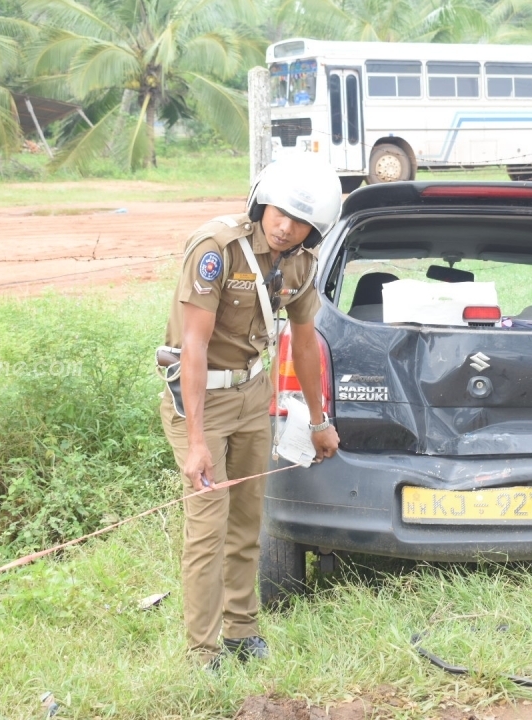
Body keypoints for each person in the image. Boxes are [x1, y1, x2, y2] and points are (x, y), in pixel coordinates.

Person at [159, 155, 342, 668]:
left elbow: (304, 345)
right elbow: (192, 347)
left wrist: (319, 420)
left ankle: (242, 629)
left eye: (300, 220)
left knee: (246, 521)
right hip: (200, 400)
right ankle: (203, 650)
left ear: (314, 228)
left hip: (250, 397)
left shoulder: (301, 264)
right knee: (208, 525)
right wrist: (196, 442)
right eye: (280, 212)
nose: (286, 227)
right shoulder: (216, 248)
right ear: (263, 201)